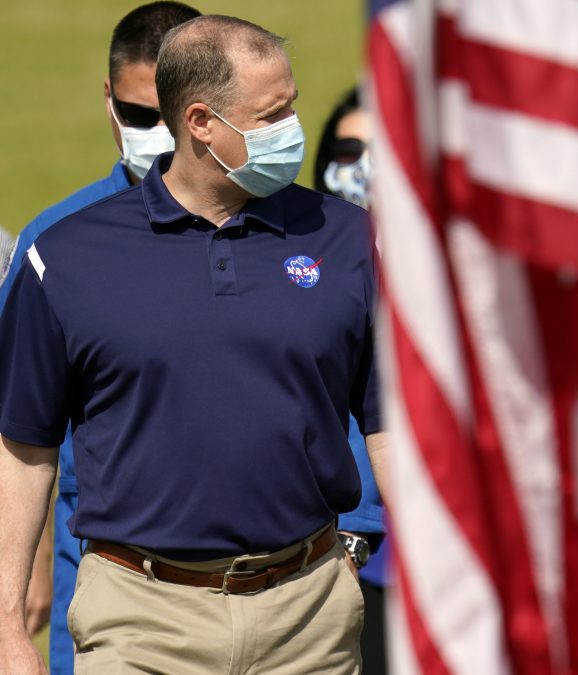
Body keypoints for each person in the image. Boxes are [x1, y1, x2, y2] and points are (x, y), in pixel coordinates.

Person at [0, 14, 386, 674]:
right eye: (272, 115)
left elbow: (393, 427)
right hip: (140, 623)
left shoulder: (351, 241)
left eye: (291, 105)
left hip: (309, 621)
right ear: (202, 123)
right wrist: (8, 625)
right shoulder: (62, 257)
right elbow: (23, 447)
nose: (292, 129)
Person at [0, 4, 201, 672]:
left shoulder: (294, 235)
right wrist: (17, 587)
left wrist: (355, 536)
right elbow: (17, 425)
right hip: (99, 578)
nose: (159, 136)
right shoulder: (55, 242)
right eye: (140, 115)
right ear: (107, 100)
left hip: (272, 585)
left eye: (174, 115)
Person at [314, 85, 391, 675]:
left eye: (379, 151)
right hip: (319, 548)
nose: (362, 167)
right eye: (348, 151)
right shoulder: (295, 264)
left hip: (411, 552)